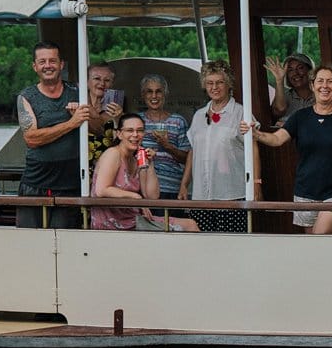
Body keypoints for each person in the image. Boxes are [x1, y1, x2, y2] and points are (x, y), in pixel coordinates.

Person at [250, 63, 332, 234]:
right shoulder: (300, 117)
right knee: (313, 248)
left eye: (330, 82)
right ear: (312, 85)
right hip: (305, 191)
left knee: (320, 236)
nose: (324, 86)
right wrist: (255, 134)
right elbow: (277, 139)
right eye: (320, 81)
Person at [15, 42, 91, 228]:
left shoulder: (77, 92)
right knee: (29, 242)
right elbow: (31, 139)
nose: (47, 65)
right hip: (35, 184)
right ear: (35, 66)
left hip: (70, 185)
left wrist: (84, 115)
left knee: (66, 243)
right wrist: (72, 123)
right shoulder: (26, 96)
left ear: (61, 64)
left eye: (52, 61)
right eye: (42, 61)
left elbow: (97, 127)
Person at [88, 113, 198, 232]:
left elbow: (152, 196)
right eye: (130, 130)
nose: (135, 135)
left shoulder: (137, 158)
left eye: (140, 130)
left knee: (190, 224)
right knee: (187, 227)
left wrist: (150, 164)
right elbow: (101, 190)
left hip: (134, 220)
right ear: (119, 134)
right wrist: (135, 197)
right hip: (111, 223)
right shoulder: (113, 153)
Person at [181, 61, 250, 233]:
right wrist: (184, 184)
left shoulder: (241, 112)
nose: (214, 87)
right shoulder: (198, 115)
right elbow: (192, 150)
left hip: (231, 193)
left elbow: (253, 148)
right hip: (201, 195)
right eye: (210, 83)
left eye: (219, 82)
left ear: (229, 84)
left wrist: (256, 184)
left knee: (232, 245)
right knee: (203, 245)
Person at [135, 73, 189, 203]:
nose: (154, 96)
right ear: (143, 95)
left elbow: (187, 159)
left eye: (158, 91)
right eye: (149, 92)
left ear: (165, 94)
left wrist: (167, 146)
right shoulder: (137, 121)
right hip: (143, 187)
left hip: (172, 189)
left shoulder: (178, 121)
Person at [81, 62, 126, 172]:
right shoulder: (79, 104)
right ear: (87, 82)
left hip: (106, 171)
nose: (102, 83)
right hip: (80, 170)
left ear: (112, 83)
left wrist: (119, 119)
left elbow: (123, 145)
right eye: (97, 78)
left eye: (107, 80)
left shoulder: (116, 109)